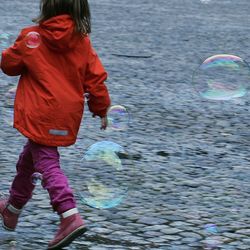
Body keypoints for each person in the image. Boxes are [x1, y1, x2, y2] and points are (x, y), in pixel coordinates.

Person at [0, 0, 111, 249]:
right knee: (30, 159)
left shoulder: (32, 37)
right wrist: (101, 108)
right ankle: (12, 207)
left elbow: (8, 66)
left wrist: (15, 50)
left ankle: (69, 215)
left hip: (40, 114)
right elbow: (95, 80)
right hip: (66, 115)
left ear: (46, 8)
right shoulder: (82, 42)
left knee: (47, 163)